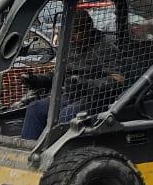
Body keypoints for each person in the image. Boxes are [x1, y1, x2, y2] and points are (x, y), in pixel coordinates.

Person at [21, 8, 125, 140]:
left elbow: (119, 79)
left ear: (89, 29)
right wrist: (37, 80)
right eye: (70, 31)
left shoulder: (106, 48)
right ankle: (29, 151)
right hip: (70, 95)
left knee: (66, 115)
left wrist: (86, 84)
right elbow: (59, 75)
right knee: (35, 109)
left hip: (96, 99)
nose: (72, 36)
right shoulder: (70, 47)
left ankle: (57, 155)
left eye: (77, 31)